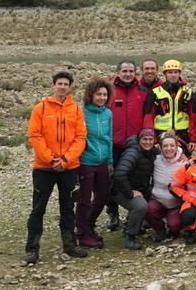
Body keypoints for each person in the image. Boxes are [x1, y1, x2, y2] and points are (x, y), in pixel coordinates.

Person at [25, 71, 88, 264]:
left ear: (70, 87)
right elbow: (34, 135)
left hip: (69, 168)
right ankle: (32, 248)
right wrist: (51, 159)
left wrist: (66, 160)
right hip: (44, 168)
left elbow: (80, 137)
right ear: (53, 85)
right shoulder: (40, 108)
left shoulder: (76, 110)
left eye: (66, 84)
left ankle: (69, 245)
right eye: (59, 83)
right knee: (38, 208)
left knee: (68, 207)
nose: (62, 87)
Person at [106, 60, 154, 232]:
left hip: (134, 145)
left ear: (136, 72)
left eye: (131, 71)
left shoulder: (143, 92)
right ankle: (112, 212)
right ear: (118, 72)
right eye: (124, 71)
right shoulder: (109, 91)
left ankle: (132, 213)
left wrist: (146, 138)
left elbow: (147, 117)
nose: (127, 74)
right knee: (110, 181)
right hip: (113, 144)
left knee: (133, 179)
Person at [76, 77, 113, 249]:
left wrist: (110, 161)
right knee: (84, 199)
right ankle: (82, 234)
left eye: (105, 95)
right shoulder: (81, 112)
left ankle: (89, 225)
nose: (102, 98)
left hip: (103, 161)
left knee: (101, 197)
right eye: (98, 94)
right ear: (91, 95)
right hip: (86, 161)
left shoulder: (108, 113)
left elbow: (109, 138)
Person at [113, 128, 159, 250]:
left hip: (140, 187)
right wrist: (130, 193)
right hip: (120, 190)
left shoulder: (152, 152)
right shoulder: (132, 153)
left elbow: (168, 154)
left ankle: (133, 224)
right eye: (144, 139)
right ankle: (130, 236)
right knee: (141, 206)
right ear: (139, 140)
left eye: (150, 139)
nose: (147, 142)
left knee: (156, 195)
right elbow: (119, 174)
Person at [147, 131, 185, 241]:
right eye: (165, 146)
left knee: (175, 227)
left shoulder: (183, 162)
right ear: (160, 147)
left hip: (175, 203)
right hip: (158, 200)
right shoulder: (155, 160)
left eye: (172, 145)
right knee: (148, 208)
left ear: (177, 146)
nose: (169, 149)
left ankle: (172, 225)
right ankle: (160, 230)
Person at [152, 60, 192, 146]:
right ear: (165, 74)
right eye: (170, 72)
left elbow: (192, 115)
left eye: (176, 72)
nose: (173, 75)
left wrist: (193, 138)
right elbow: (149, 116)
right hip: (161, 134)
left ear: (179, 73)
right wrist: (154, 139)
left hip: (183, 134)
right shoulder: (156, 92)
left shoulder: (188, 92)